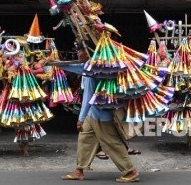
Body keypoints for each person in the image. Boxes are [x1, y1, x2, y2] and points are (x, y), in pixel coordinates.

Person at [58, 47, 140, 182]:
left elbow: (88, 97)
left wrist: (81, 118)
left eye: (80, 51)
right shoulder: (90, 67)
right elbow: (72, 66)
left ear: (88, 53)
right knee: (85, 139)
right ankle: (79, 170)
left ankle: (130, 171)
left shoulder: (92, 72)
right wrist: (52, 62)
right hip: (94, 113)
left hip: (101, 114)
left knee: (111, 142)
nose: (78, 54)